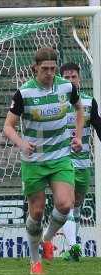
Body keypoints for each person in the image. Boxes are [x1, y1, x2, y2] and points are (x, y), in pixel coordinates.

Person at [3, 48, 84, 275]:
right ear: (35, 68)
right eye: (45, 68)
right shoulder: (24, 93)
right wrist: (21, 143)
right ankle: (35, 260)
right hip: (34, 161)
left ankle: (47, 239)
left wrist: (77, 135)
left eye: (52, 68)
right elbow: (8, 126)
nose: (49, 73)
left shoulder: (67, 87)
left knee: (65, 205)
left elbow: (79, 110)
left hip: (59, 157)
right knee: (36, 212)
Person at [60, 62, 101, 261]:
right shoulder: (54, 102)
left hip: (83, 162)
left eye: (73, 77)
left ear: (79, 79)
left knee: (76, 206)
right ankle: (74, 245)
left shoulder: (88, 102)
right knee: (66, 204)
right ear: (61, 80)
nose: (70, 81)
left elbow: (98, 126)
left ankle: (72, 250)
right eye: (66, 78)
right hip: (61, 162)